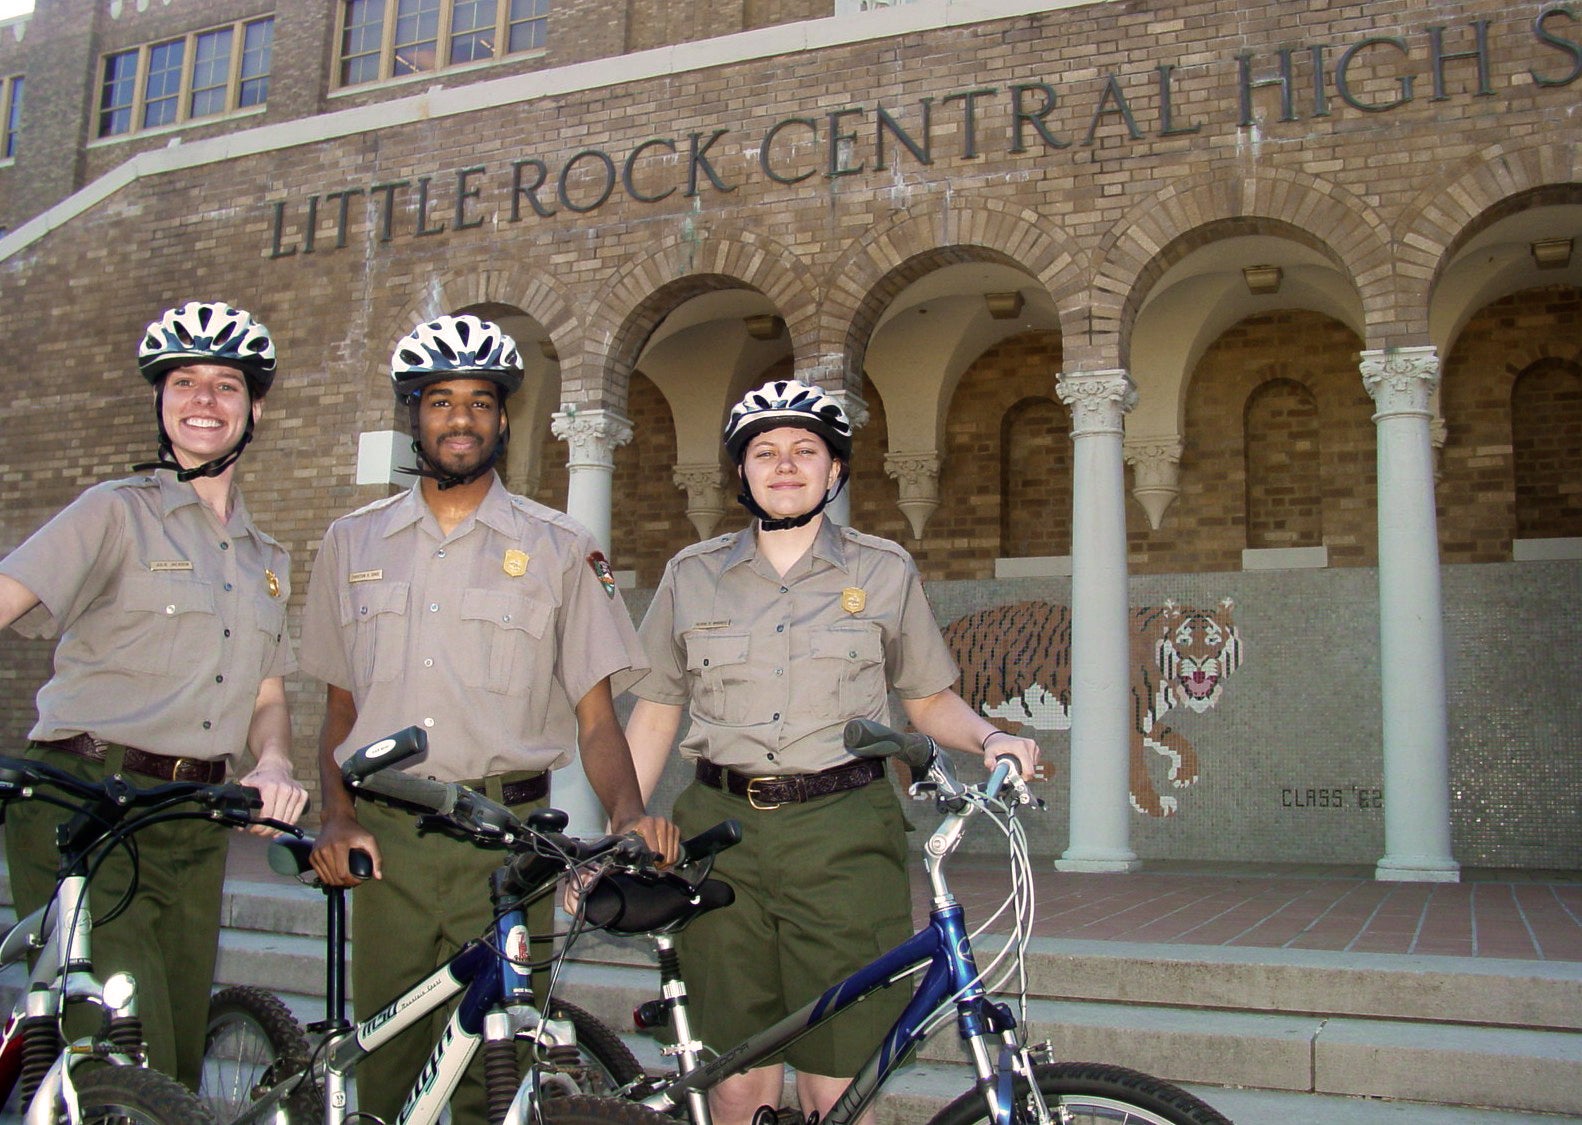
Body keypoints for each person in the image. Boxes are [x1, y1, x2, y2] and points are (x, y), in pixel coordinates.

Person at [626, 378, 1042, 1125]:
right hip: (720, 836)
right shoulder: (690, 575)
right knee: (736, 1077)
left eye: (805, 451)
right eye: (766, 452)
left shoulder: (883, 570)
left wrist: (991, 736)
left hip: (844, 832)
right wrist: (619, 824)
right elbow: (655, 715)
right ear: (743, 472)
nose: (785, 465)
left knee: (839, 1080)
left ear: (835, 471)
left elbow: (926, 698)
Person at [303, 312, 678, 1124]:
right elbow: (339, 705)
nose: (461, 418)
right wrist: (334, 814)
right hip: (390, 837)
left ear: (505, 418)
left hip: (508, 844)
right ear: (415, 416)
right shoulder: (350, 541)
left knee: (497, 1074)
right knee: (390, 1062)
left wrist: (626, 812)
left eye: (480, 400)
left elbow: (597, 715)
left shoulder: (560, 544)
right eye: (440, 400)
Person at [0, 300, 310, 1089]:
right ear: (160, 403)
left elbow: (266, 692)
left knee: (171, 1056)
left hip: (194, 818)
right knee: (121, 1038)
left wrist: (273, 761)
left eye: (226, 384)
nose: (204, 399)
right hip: (84, 799)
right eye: (183, 381)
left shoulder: (266, 557)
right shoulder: (114, 511)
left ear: (255, 409)